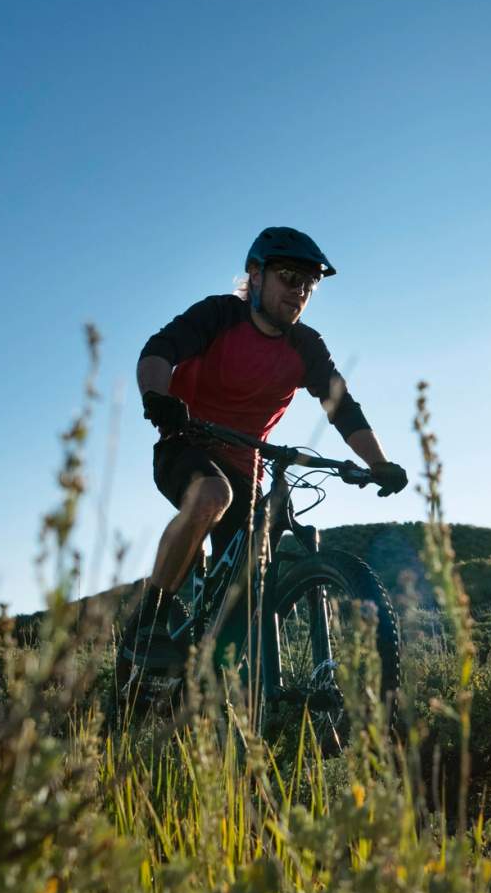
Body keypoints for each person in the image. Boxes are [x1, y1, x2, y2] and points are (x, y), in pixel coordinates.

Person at [128, 226, 407, 650]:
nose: (300, 292)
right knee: (210, 495)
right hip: (186, 445)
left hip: (245, 467)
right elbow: (158, 351)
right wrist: (157, 396)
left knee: (259, 563)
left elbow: (342, 407)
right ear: (255, 275)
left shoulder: (307, 346)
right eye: (290, 278)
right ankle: (147, 627)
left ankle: (221, 668)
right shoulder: (219, 315)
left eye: (309, 285)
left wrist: (378, 464)